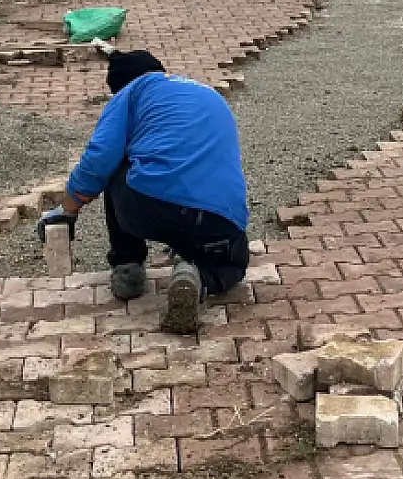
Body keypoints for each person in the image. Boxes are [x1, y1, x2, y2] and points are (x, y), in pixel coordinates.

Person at [38, 50, 250, 333]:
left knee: (118, 163)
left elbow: (100, 157)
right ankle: (197, 276)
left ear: (120, 85)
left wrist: (68, 209)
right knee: (232, 265)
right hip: (220, 218)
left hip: (151, 207)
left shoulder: (133, 91)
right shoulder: (209, 95)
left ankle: (128, 269)